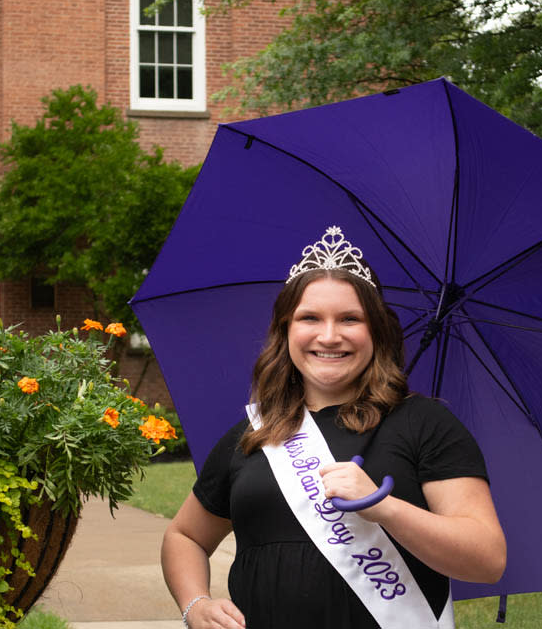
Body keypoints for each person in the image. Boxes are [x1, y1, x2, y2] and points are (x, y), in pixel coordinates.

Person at [161, 227, 506, 629]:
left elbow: (487, 558)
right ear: (286, 330)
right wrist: (195, 604)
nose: (329, 336)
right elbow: (184, 537)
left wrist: (384, 507)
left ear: (375, 331)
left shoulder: (425, 424)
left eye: (349, 319)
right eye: (310, 318)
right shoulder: (255, 434)